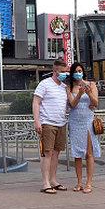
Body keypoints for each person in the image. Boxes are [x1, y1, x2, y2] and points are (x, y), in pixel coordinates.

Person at [32, 60, 69, 194]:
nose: (65, 74)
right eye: (63, 72)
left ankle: (53, 180)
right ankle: (45, 182)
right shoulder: (45, 84)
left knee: (56, 153)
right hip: (47, 123)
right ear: (55, 71)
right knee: (47, 152)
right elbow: (36, 102)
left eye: (66, 72)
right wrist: (37, 121)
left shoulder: (64, 87)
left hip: (61, 123)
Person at [66, 62, 101, 194]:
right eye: (76, 71)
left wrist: (88, 92)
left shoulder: (91, 84)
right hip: (75, 121)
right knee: (77, 153)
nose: (78, 73)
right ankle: (79, 182)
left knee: (89, 152)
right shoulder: (69, 88)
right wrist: (79, 94)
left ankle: (89, 183)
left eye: (80, 70)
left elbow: (96, 103)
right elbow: (72, 104)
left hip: (87, 120)